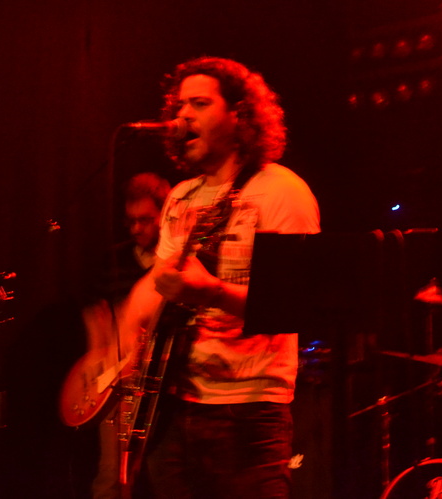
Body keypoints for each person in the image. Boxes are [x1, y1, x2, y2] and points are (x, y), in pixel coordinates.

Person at [114, 56, 320, 499]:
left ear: (239, 115)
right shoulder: (181, 197)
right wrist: (119, 337)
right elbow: (159, 283)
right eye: (179, 105)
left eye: (200, 103)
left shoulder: (282, 191)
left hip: (249, 414)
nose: (182, 116)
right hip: (175, 406)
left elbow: (294, 306)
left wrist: (212, 292)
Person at [87, 172, 171, 499]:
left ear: (165, 215)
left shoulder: (174, 262)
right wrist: (100, 355)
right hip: (118, 382)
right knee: (112, 474)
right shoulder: (114, 259)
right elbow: (95, 312)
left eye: (145, 220)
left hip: (164, 386)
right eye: (130, 221)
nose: (136, 228)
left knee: (162, 473)